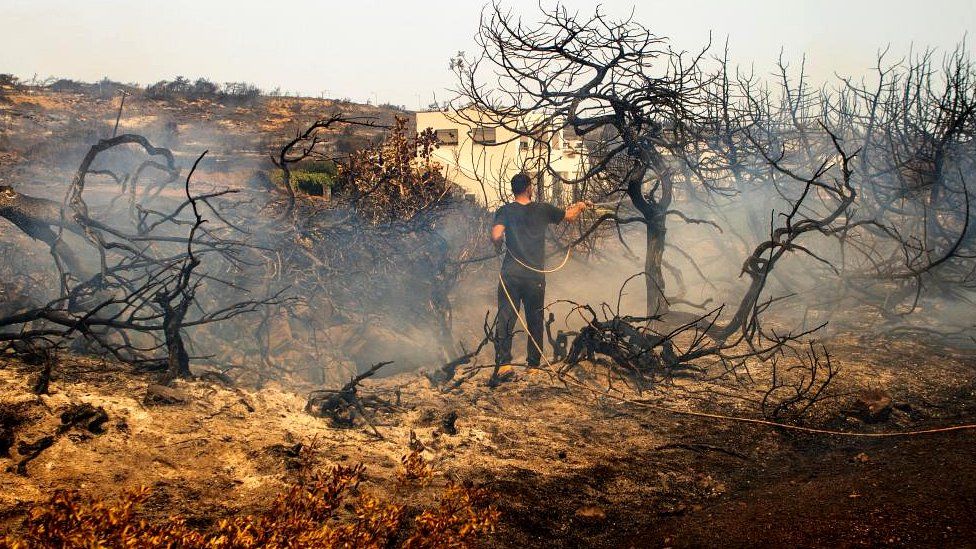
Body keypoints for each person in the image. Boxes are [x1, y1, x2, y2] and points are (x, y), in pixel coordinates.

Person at [490, 173, 588, 379]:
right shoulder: (542, 209)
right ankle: (533, 365)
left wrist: (498, 246)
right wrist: (580, 206)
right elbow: (569, 217)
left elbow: (497, 235)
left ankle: (505, 365)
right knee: (534, 318)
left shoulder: (505, 211)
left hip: (510, 274)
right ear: (528, 188)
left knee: (506, 318)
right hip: (534, 276)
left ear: (514, 189)